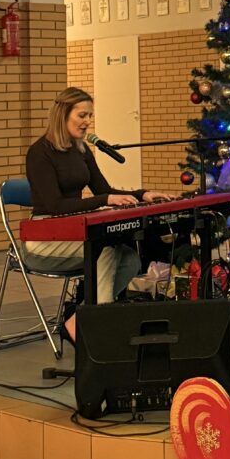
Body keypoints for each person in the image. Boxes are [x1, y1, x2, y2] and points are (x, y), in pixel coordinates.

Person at [24, 86, 170, 342]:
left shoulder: (81, 150)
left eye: (90, 115)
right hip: (44, 238)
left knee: (129, 259)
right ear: (62, 114)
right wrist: (104, 201)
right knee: (104, 250)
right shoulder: (39, 152)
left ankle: (80, 319)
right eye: (82, 115)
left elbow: (104, 191)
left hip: (73, 230)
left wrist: (142, 194)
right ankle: (101, 331)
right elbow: (56, 205)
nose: (88, 122)